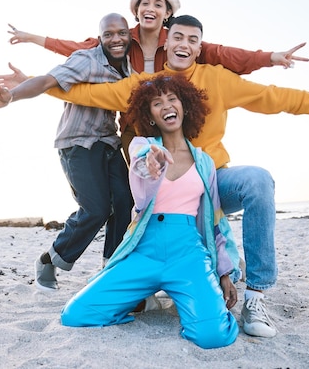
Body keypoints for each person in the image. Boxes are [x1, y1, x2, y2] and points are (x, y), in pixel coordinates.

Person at [0, 15, 309, 338]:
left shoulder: (218, 80)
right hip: (162, 201)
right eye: (178, 36)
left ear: (199, 48)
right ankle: (159, 287)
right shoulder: (144, 85)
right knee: (123, 265)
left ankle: (256, 299)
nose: (185, 44)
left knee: (257, 181)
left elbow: (280, 98)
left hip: (211, 184)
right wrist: (23, 86)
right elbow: (84, 91)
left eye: (194, 40)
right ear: (166, 42)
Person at [0, 0, 309, 160]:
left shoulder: (178, 43)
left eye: (159, 4)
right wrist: (34, 43)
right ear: (137, 10)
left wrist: (271, 57)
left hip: (173, 125)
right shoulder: (120, 39)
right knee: (141, 185)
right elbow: (78, 49)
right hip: (133, 123)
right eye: (145, 3)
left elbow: (224, 55)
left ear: (167, 13)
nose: (150, 8)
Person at [61, 74, 240, 349]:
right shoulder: (141, 146)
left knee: (212, 336)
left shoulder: (204, 162)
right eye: (157, 103)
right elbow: (142, 170)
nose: (166, 106)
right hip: (145, 250)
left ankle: (193, 299)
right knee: (76, 314)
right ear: (150, 116)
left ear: (185, 106)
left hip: (189, 253)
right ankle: (145, 300)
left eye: (172, 99)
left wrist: (225, 273)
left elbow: (216, 221)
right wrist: (151, 161)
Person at [0, 13, 135, 292]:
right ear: (100, 37)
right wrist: (12, 96)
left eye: (121, 33)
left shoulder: (130, 67)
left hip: (108, 141)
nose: (116, 39)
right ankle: (49, 259)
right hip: (77, 142)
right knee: (97, 209)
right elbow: (46, 81)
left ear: (129, 35)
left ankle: (111, 267)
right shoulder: (85, 59)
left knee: (125, 201)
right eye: (108, 34)